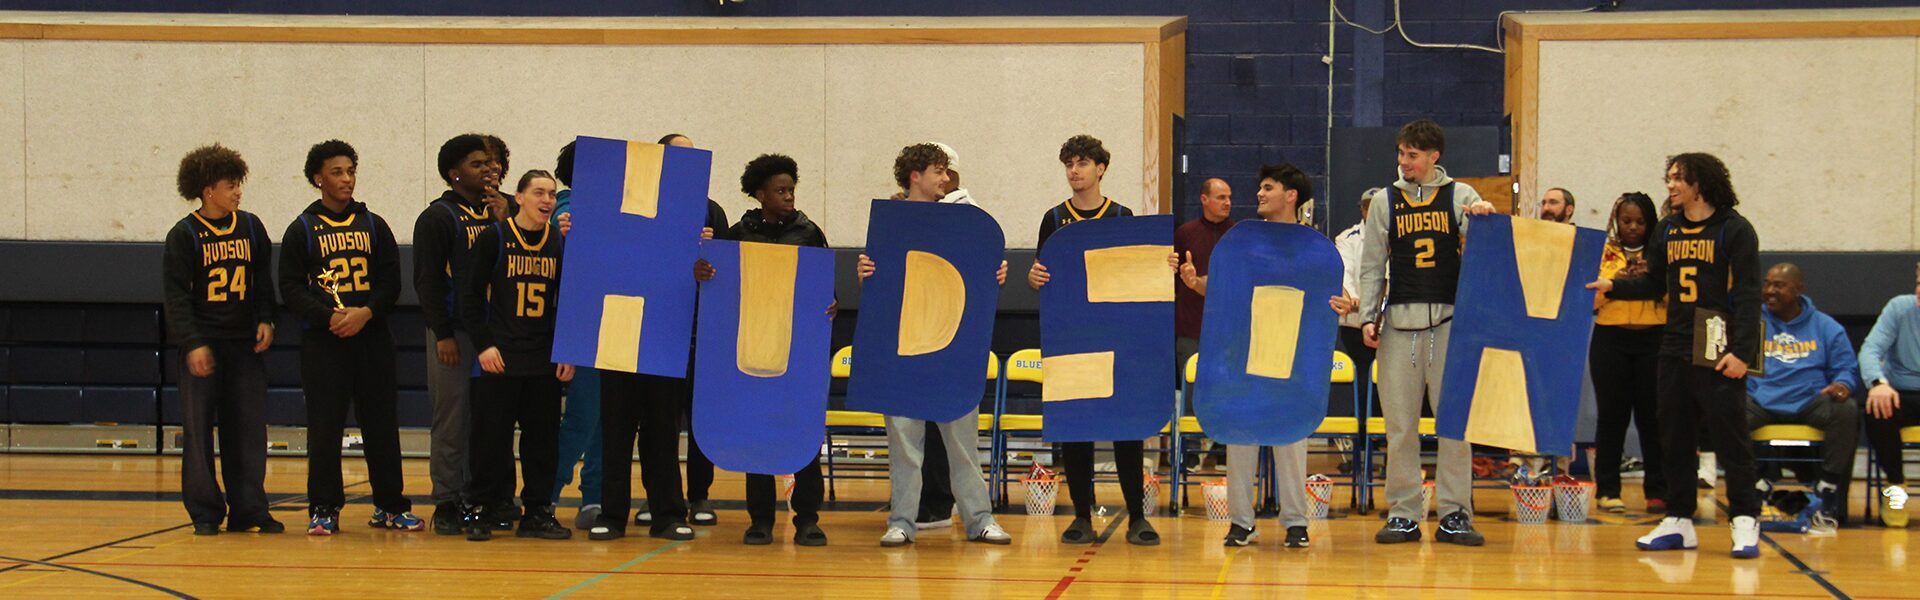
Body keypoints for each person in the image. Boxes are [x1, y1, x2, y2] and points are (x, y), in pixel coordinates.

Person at [1591, 152, 1764, 558]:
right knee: (1673, 436)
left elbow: (1750, 295)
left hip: (1718, 346)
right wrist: (1612, 286)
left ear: (1699, 183)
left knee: (1730, 437)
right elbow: (1653, 282)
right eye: (1668, 177)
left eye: (1677, 178)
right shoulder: (1667, 229)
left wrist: (1742, 353)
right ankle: (1679, 518)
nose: (1669, 185)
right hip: (1673, 342)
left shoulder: (1734, 230)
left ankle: (1744, 518)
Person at [858, 142, 1012, 548]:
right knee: (905, 446)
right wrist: (866, 273)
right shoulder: (893, 225)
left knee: (963, 445)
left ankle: (979, 519)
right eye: (939, 171)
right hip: (904, 349)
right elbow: (883, 285)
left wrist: (993, 270)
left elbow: (980, 271)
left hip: (952, 351)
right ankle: (902, 521)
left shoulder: (962, 223)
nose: (946, 179)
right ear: (916, 176)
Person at [1354, 119, 1496, 546]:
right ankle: (1403, 513)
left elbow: (1486, 243)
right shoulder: (1385, 200)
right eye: (1401, 154)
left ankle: (1455, 514)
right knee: (1400, 427)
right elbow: (1372, 264)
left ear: (1434, 157)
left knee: (1454, 425)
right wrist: (1366, 315)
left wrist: (1485, 218)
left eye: (1412, 155)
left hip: (1451, 324)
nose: (1404, 162)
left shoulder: (1461, 195)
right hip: (1399, 325)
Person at [1174, 164, 1331, 549]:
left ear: (1290, 195)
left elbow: (1329, 294)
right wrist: (1196, 283)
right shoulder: (1243, 241)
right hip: (1244, 353)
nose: (1259, 194)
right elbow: (1224, 287)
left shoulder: (1313, 245)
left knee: (1291, 436)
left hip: (1290, 354)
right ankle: (1241, 522)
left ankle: (1296, 522)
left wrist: (1345, 302)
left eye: (1267, 188)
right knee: (1240, 434)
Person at [278, 140, 418, 536]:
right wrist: (329, 317)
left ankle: (390, 506)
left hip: (371, 337)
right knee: (325, 427)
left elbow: (391, 281)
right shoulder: (302, 229)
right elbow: (289, 287)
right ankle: (324, 508)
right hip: (324, 342)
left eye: (351, 171)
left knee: (381, 425)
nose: (346, 179)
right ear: (318, 178)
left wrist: (366, 312)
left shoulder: (374, 225)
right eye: (337, 172)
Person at [1025, 134, 1158, 546]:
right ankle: (1082, 515)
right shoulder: (1053, 219)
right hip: (1071, 338)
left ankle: (1137, 516)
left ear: (1100, 169)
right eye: (1069, 164)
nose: (1074, 171)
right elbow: (1041, 272)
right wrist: (1033, 278)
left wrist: (1160, 264)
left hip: (1116, 338)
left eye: (1082, 164)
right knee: (1077, 428)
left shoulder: (1122, 214)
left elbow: (1135, 275)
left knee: (1126, 428)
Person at [695, 153, 834, 546]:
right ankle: (760, 520)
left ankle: (807, 519)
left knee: (802, 433)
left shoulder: (809, 233)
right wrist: (704, 271)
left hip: (795, 351)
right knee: (755, 432)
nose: (789, 196)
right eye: (780, 190)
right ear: (759, 194)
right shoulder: (738, 233)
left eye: (791, 189)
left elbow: (824, 290)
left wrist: (833, 302)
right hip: (751, 347)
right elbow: (718, 284)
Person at [162, 144, 279, 536]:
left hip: (244, 346)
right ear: (208, 190)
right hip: (203, 345)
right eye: (231, 186)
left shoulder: (250, 226)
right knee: (198, 433)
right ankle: (206, 512)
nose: (238, 192)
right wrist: (193, 342)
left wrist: (266, 318)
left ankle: (249, 509)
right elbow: (176, 297)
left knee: (247, 431)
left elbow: (263, 283)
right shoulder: (184, 235)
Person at [459, 170, 575, 541]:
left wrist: (567, 350)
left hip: (542, 358)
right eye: (538, 192)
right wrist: (483, 345)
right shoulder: (494, 238)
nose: (547, 200)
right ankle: (480, 508)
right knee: (489, 440)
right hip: (500, 356)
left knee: (542, 441)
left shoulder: (559, 242)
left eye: (552, 194)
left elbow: (570, 302)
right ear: (519, 198)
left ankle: (538, 512)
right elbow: (469, 297)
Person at [414, 133, 507, 534]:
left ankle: (486, 497)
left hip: (497, 333)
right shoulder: (438, 217)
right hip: (454, 332)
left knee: (491, 422)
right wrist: (442, 334)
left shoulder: (505, 212)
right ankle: (447, 501)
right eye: (477, 164)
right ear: (454, 174)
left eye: (491, 163)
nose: (488, 169)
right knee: (452, 420)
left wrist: (507, 218)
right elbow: (427, 281)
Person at [1745, 262, 1859, 524]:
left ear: (1798, 289)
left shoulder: (1826, 326)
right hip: (1762, 400)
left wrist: (1842, 385)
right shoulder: (1752, 323)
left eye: (1779, 285)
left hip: (1809, 401)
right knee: (1725, 409)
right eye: (1767, 284)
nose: (1769, 291)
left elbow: (1846, 368)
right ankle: (1756, 483)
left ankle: (1828, 486)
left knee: (1846, 410)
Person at [1590, 192, 1669, 514]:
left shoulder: (1661, 254)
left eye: (1640, 221)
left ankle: (1658, 491)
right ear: (1616, 222)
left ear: (1650, 223)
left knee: (1653, 419)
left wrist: (1648, 282)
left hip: (1655, 339)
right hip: (1611, 340)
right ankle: (1608, 490)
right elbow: (1589, 301)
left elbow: (1672, 297)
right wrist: (1616, 282)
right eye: (1626, 221)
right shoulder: (1602, 253)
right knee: (1612, 417)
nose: (1633, 227)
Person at [1174, 178, 1235, 471]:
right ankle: (1191, 450)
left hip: (1226, 330)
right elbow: (1172, 276)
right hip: (1189, 326)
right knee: (1192, 391)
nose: (1227, 202)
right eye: (1221, 197)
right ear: (1204, 199)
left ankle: (1223, 449)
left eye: (1229, 197)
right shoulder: (1185, 233)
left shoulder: (1236, 234)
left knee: (1226, 390)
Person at [1858, 263, 1920, 528]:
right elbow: (1870, 349)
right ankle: (1895, 487)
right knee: (1876, 407)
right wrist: (1877, 383)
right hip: (1902, 394)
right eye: (1919, 281)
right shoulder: (1899, 308)